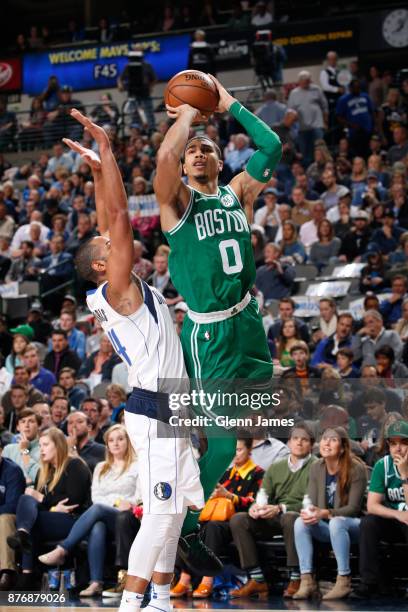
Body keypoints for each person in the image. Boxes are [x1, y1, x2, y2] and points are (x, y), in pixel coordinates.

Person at [63, 109, 208, 612]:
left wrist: (100, 172)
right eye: (108, 246)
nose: (114, 238)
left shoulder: (111, 288)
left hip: (161, 407)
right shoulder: (119, 287)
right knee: (161, 515)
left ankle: (163, 599)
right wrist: (106, 149)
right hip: (158, 407)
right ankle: (131, 606)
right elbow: (120, 220)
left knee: (170, 514)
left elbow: (109, 221)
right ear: (103, 265)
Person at [155, 74, 281, 533]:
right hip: (209, 333)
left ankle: (192, 461)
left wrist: (229, 102)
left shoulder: (239, 192)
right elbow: (165, 158)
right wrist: (187, 115)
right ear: (186, 167)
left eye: (207, 148)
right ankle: (186, 530)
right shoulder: (177, 203)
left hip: (247, 320)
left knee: (258, 411)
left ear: (221, 159)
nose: (200, 153)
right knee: (227, 445)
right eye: (194, 150)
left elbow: (273, 147)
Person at [39, 424, 140, 596]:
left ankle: (63, 549)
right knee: (97, 525)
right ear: (107, 444)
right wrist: (116, 501)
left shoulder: (138, 466)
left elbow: (138, 497)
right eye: (111, 440)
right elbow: (96, 497)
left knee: (99, 510)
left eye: (120, 439)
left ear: (128, 442)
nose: (115, 443)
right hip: (106, 514)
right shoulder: (101, 467)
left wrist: (124, 503)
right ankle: (96, 583)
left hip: (126, 517)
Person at [229, 424, 316, 599]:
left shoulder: (316, 466)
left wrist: (280, 508)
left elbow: (314, 502)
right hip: (274, 516)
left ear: (311, 445)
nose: (299, 443)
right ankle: (257, 579)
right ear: (289, 443)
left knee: (291, 518)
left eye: (304, 440)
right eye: (295, 439)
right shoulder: (277, 466)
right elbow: (263, 494)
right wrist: (257, 508)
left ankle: (296, 578)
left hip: (302, 518)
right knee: (239, 519)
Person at [170, 437, 264, 599]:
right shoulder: (225, 472)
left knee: (213, 527)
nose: (235, 454)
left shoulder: (258, 473)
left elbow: (255, 501)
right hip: (214, 515)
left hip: (239, 522)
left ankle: (208, 578)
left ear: (250, 450)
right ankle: (185, 577)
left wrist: (230, 496)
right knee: (188, 528)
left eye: (240, 450)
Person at [7, 427, 91, 589]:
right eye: (40, 445)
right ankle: (22, 535)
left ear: (58, 445)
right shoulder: (44, 472)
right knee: (26, 498)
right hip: (51, 518)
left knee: (33, 516)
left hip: (75, 522)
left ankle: (27, 574)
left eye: (45, 445)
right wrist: (50, 505)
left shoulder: (75, 465)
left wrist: (44, 499)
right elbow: (40, 504)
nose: (41, 450)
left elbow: (73, 501)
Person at [293, 427, 367, 600]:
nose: (326, 442)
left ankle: (343, 580)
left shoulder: (356, 468)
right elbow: (311, 501)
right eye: (325, 438)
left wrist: (325, 513)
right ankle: (307, 580)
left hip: (353, 527)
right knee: (300, 522)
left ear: (342, 447)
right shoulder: (316, 467)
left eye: (333, 440)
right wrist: (309, 512)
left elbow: (353, 508)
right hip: (328, 525)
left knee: (337, 522)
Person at [352, 420, 408, 599]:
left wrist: (405, 475)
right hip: (396, 521)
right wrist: (398, 514)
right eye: (393, 443)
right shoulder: (382, 466)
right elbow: (372, 505)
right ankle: (369, 582)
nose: (398, 448)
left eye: (404, 443)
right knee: (368, 523)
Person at [0, 437, 26, 590]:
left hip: (11, 517)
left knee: (4, 519)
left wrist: (25, 450)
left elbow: (12, 505)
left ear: (1, 451)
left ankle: (7, 571)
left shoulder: (12, 471)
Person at [287, 71, 328, 166]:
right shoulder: (294, 93)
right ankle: (308, 174)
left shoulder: (316, 89)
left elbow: (325, 106)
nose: (308, 83)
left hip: (317, 126)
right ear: (300, 81)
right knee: (305, 154)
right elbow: (290, 111)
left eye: (309, 81)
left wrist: (325, 122)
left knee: (320, 150)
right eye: (305, 81)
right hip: (302, 129)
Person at [2, 408, 40, 485]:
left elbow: (38, 476)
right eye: (23, 422)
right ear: (18, 427)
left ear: (38, 426)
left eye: (31, 421)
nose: (26, 425)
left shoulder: (43, 449)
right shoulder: (8, 449)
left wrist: (24, 450)